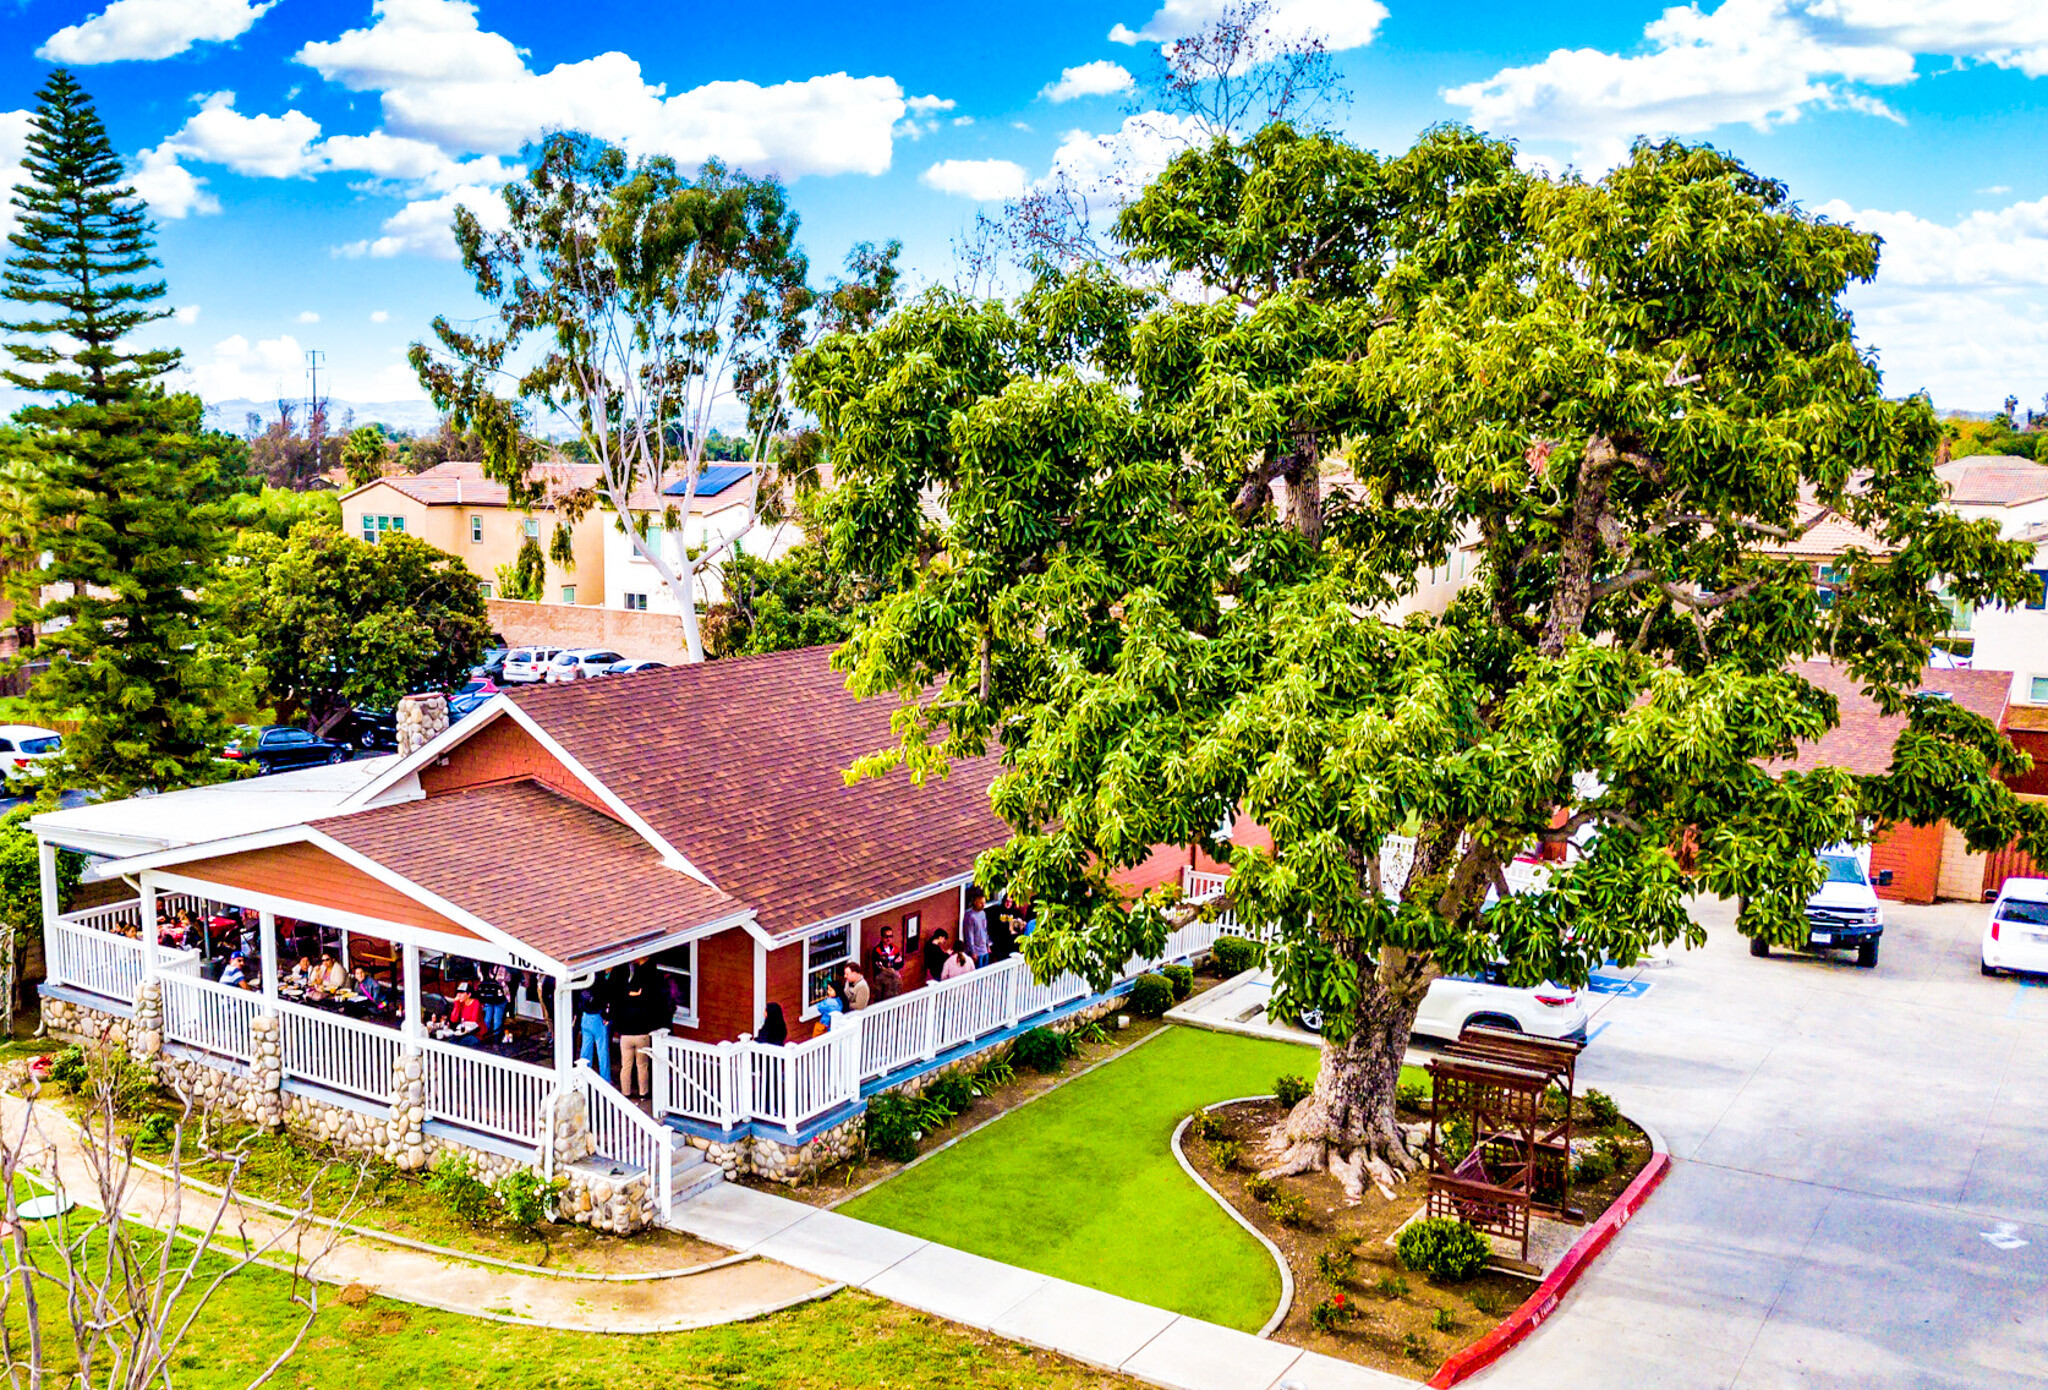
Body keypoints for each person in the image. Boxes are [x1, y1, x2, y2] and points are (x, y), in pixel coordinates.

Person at [613, 963, 666, 1100]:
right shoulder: (645, 1000)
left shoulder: (623, 999)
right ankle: (643, 1093)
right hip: (642, 1035)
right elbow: (652, 1016)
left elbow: (617, 1015)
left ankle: (626, 1092)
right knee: (642, 1066)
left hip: (626, 1036)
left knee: (626, 1066)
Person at [575, 976, 613, 1082]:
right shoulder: (601, 989)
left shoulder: (584, 989)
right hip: (597, 1018)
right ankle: (605, 1078)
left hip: (585, 1017)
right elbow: (603, 1004)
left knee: (586, 1047)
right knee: (602, 1049)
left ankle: (584, 1073)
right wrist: (606, 1017)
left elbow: (579, 1004)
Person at [866, 926, 903, 1001]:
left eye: (891, 936)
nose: (888, 939)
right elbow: (880, 967)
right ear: (882, 937)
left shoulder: (894, 949)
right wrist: (892, 964)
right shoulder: (877, 951)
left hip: (894, 980)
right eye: (886, 936)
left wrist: (891, 965)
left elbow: (901, 963)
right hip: (882, 981)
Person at [476, 963, 509, 1040]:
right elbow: (507, 979)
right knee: (497, 1018)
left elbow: (480, 978)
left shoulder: (481, 967)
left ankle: (484, 1034)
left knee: (487, 1017)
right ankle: (496, 1037)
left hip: (487, 995)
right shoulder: (502, 968)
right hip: (499, 995)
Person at [445, 981, 485, 1046]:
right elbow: (453, 1019)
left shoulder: (476, 1003)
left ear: (469, 994)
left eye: (462, 993)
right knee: (450, 1041)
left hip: (476, 1034)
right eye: (458, 993)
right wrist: (457, 1004)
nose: (459, 995)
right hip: (464, 1032)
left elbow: (474, 1023)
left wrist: (463, 1030)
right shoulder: (461, 1003)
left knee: (460, 1043)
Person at [961, 886, 992, 969]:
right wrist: (973, 952)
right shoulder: (970, 916)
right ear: (975, 902)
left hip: (984, 949)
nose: (983, 905)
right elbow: (969, 935)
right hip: (976, 952)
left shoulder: (983, 913)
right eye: (981, 903)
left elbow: (985, 930)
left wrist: (988, 946)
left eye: (984, 902)